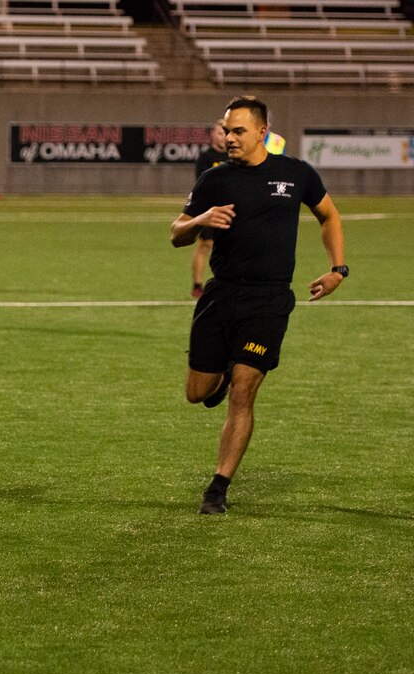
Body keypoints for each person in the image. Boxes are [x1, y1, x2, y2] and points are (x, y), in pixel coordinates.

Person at [169, 95, 347, 515]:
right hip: (221, 295)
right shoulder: (214, 179)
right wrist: (200, 220)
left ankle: (218, 486)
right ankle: (225, 369)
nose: (229, 138)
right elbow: (176, 233)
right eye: (227, 131)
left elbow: (330, 216)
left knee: (244, 391)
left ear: (263, 132)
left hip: (268, 300)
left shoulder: (296, 174)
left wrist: (338, 269)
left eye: (238, 131)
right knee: (198, 393)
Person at [190, 120, 228, 299]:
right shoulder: (206, 158)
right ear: (213, 135)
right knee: (205, 245)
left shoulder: (233, 157)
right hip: (209, 210)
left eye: (226, 133)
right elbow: (202, 184)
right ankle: (198, 285)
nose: (224, 137)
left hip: (230, 210)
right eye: (220, 133)